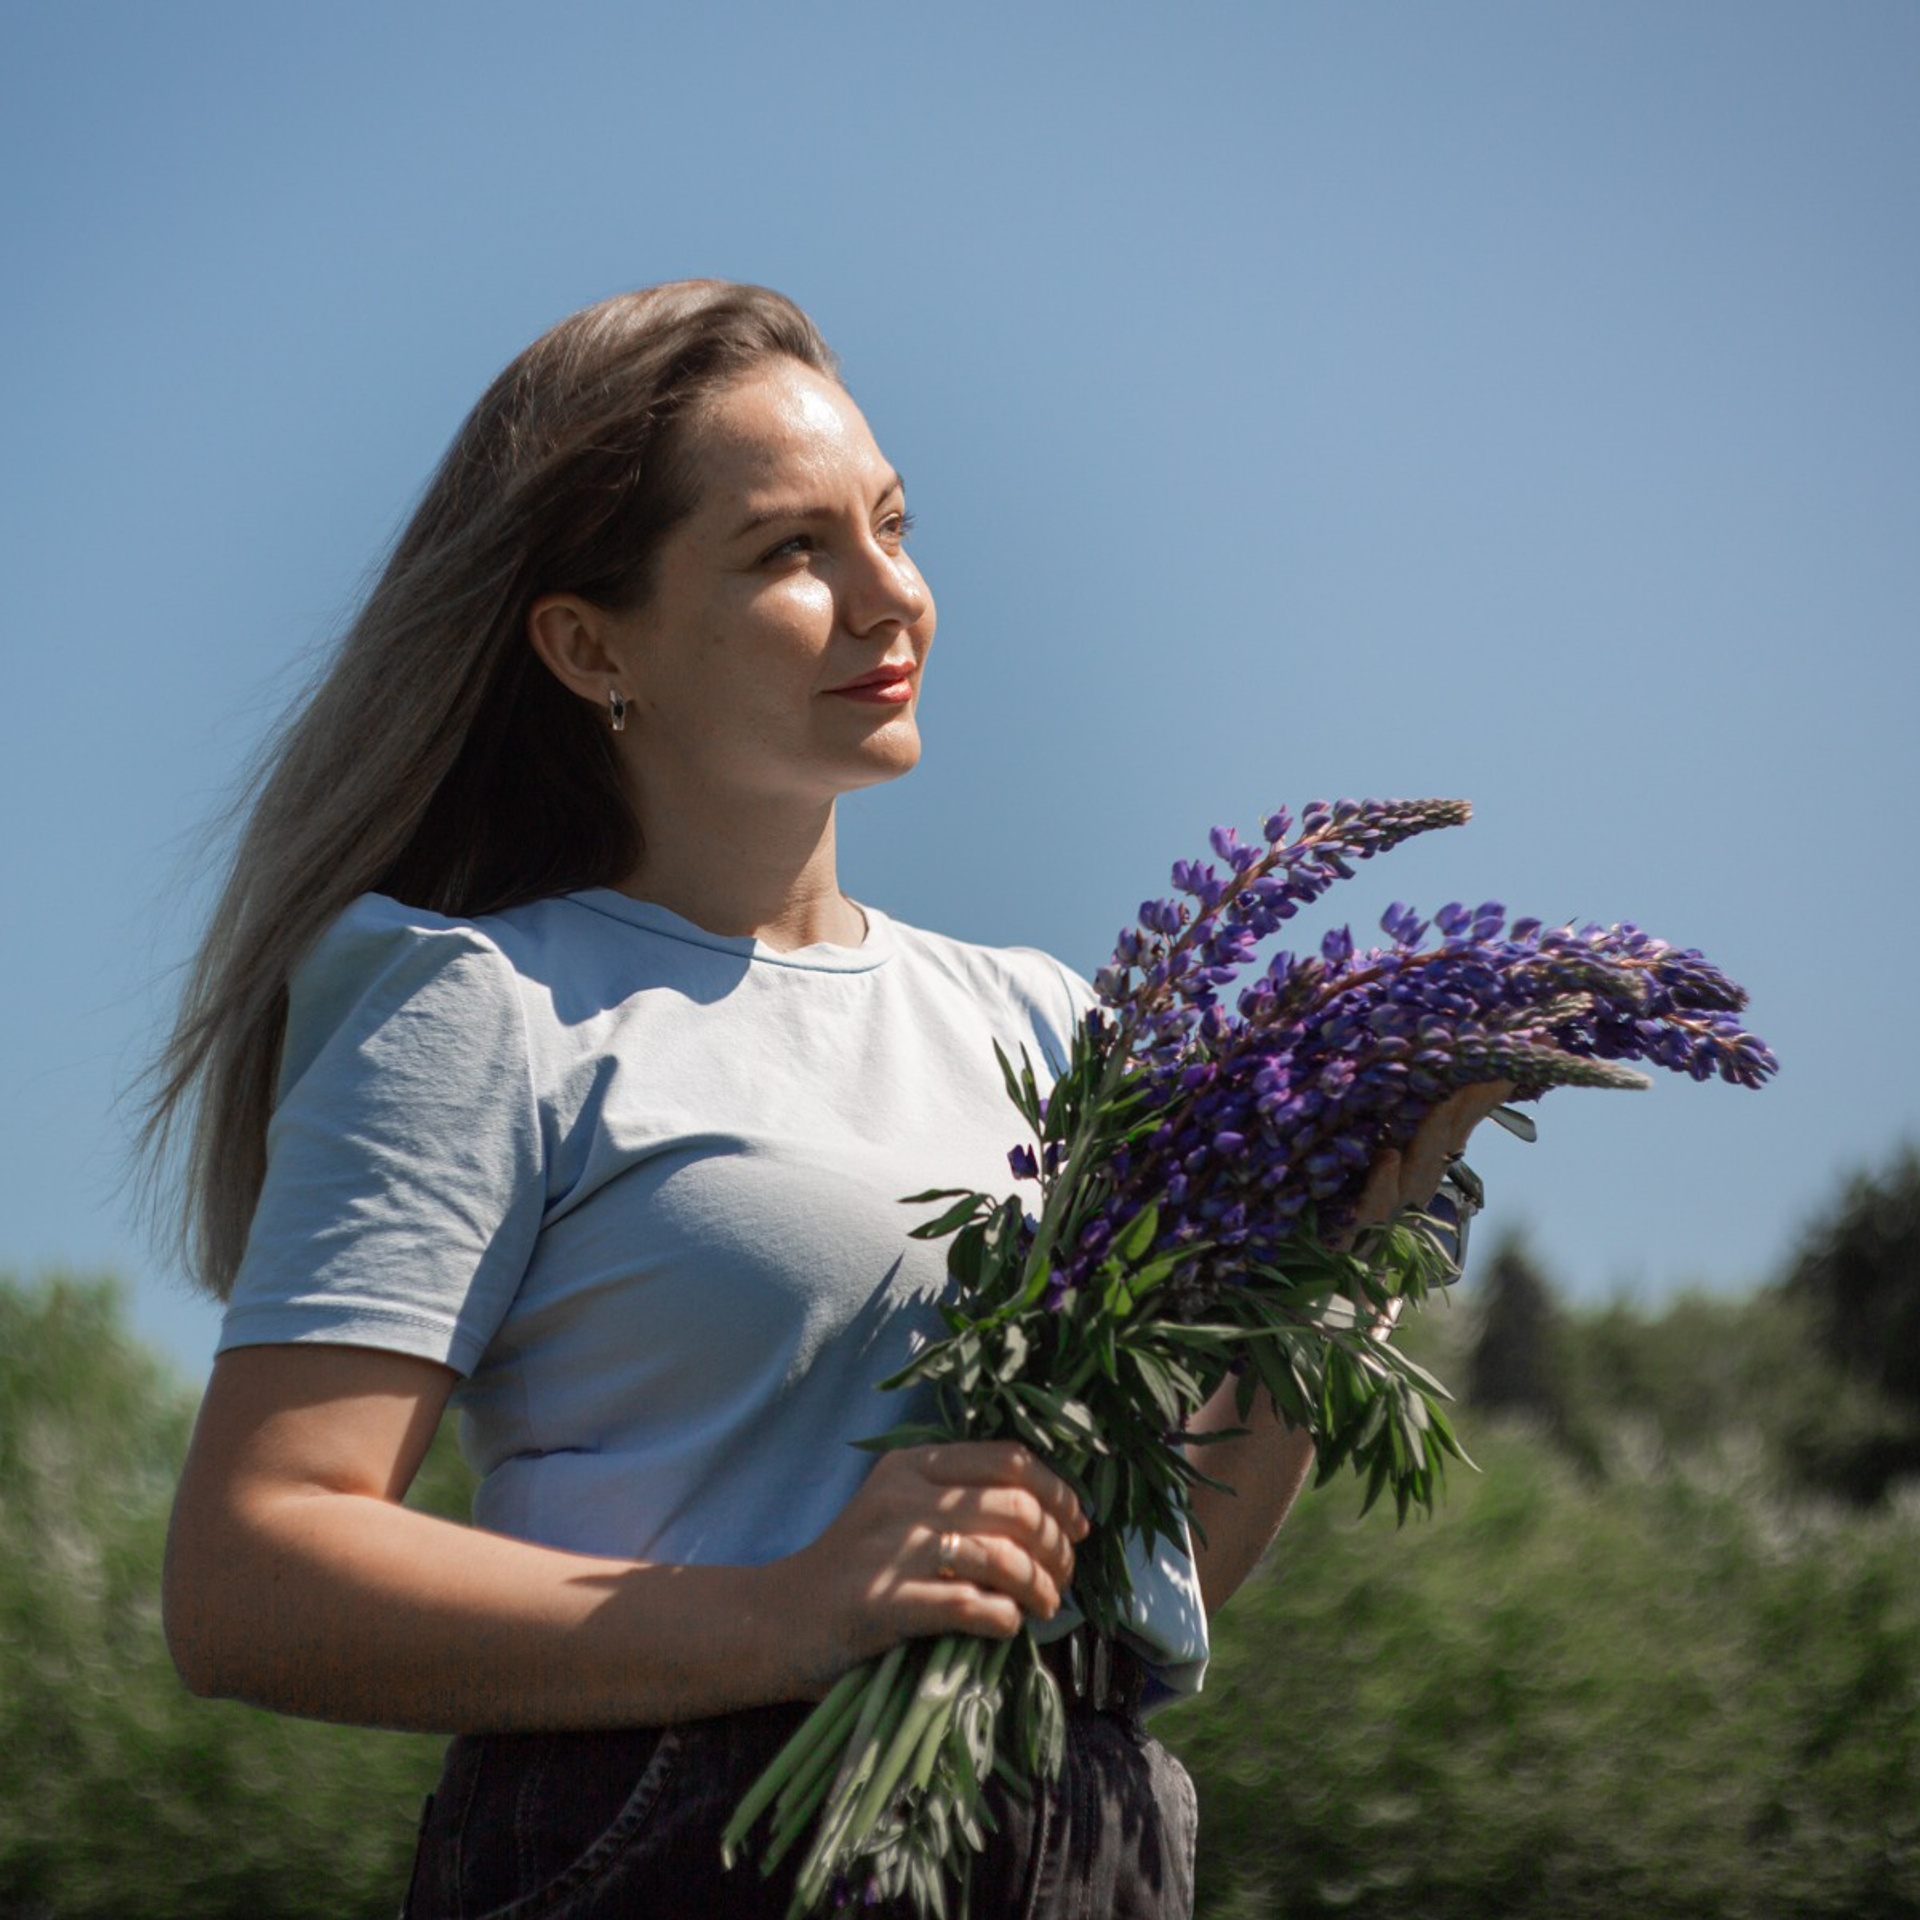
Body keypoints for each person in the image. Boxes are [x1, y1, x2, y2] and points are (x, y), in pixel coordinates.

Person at [154, 280, 1507, 1918]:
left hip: (1077, 1840)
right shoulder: (484, 1002)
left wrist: (1335, 1261)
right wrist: (786, 1614)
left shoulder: (1051, 1019)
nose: (894, 597)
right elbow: (251, 1575)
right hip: (672, 1849)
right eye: (791, 552)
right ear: (592, 646)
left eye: (892, 525)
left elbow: (1145, 1580)